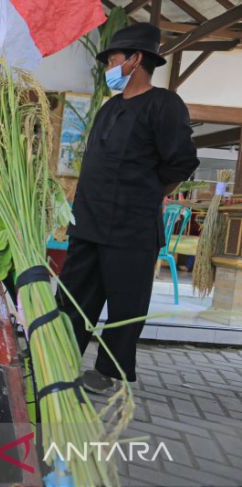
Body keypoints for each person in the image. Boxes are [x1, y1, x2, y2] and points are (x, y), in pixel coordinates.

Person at [57, 23, 200, 393]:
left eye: (114, 59)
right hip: (88, 223)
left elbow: (180, 163)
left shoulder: (164, 104)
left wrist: (148, 194)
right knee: (73, 299)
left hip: (131, 228)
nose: (109, 67)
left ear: (136, 60)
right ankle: (59, 361)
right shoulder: (109, 109)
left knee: (126, 306)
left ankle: (108, 373)